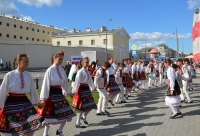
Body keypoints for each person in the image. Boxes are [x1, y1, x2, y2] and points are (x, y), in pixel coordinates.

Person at [0, 53, 44, 136]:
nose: (28, 63)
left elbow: (32, 90)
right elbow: (2, 91)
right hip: (12, 103)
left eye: (28, 61)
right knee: (13, 125)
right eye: (26, 61)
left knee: (33, 122)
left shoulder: (28, 75)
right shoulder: (10, 75)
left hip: (24, 102)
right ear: (19, 62)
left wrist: (38, 103)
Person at [38, 51, 76, 136]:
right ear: (54, 59)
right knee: (49, 116)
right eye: (59, 59)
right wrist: (44, 98)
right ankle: (45, 133)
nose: (61, 61)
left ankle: (60, 130)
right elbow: (45, 84)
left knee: (67, 113)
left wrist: (69, 93)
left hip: (59, 94)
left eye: (62, 59)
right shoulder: (50, 70)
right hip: (51, 95)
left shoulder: (61, 69)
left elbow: (65, 83)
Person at [72, 57, 97, 128]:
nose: (88, 64)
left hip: (86, 89)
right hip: (81, 89)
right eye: (86, 62)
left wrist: (93, 87)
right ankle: (77, 122)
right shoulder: (80, 71)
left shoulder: (87, 71)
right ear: (82, 63)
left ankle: (84, 116)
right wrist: (75, 91)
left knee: (91, 105)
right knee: (81, 107)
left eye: (88, 62)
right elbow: (77, 81)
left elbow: (90, 80)